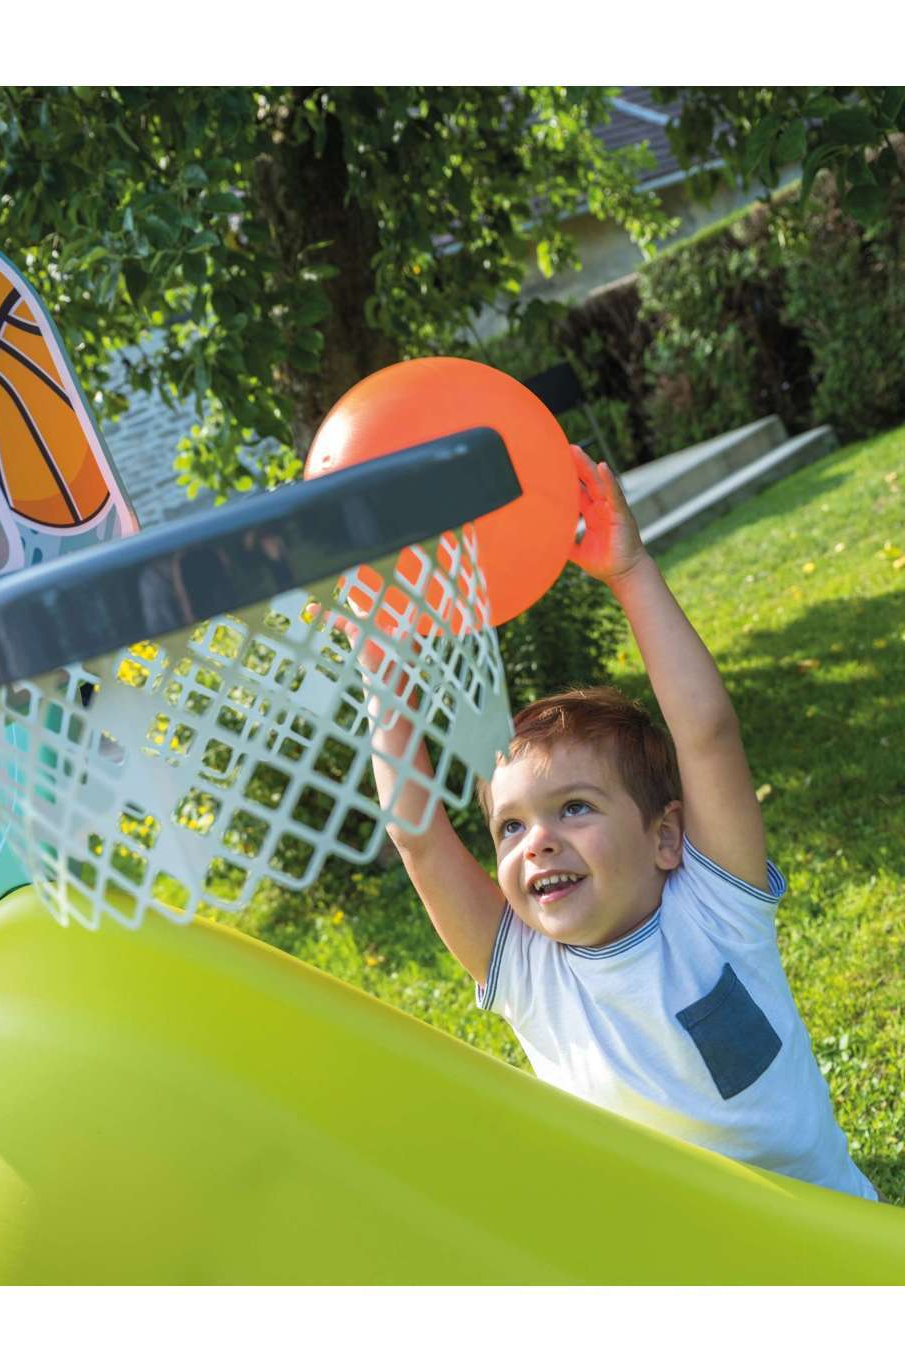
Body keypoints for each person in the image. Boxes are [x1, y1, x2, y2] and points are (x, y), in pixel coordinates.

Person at [365, 445, 878, 1202]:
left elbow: (707, 734)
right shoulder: (527, 971)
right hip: (661, 1259)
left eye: (574, 808)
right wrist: (383, 660)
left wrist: (630, 572)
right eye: (510, 828)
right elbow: (416, 834)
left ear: (665, 837)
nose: (538, 840)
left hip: (825, 1234)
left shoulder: (715, 909)